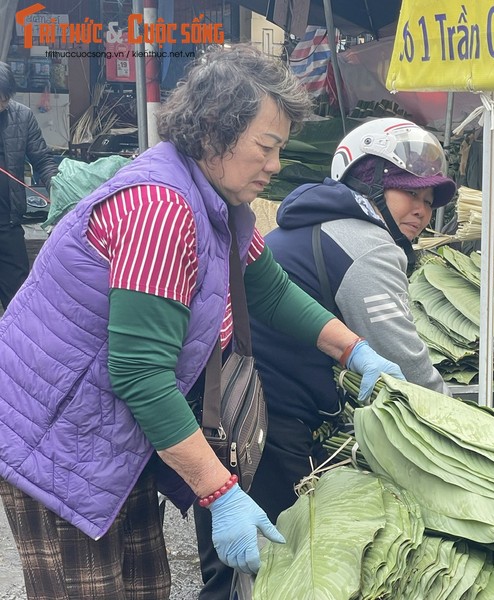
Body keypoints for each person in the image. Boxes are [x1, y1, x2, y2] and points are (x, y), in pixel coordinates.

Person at [0, 44, 404, 600]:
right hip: (58, 440)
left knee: (145, 586)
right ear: (214, 130)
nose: (276, 166)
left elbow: (271, 292)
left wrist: (357, 353)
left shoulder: (220, 202)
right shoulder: (161, 209)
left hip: (117, 434)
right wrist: (222, 494)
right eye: (267, 147)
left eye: (281, 149)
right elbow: (141, 374)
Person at [194, 117, 456, 598]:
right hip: (270, 425)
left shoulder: (308, 222)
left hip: (226, 414)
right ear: (367, 182)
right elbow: (405, 359)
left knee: (232, 572)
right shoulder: (369, 245)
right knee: (276, 568)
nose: (421, 211)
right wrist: (461, 427)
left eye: (428, 201)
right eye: (408, 193)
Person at [0, 61, 58, 309]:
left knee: (18, 299)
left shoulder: (22, 116)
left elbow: (42, 159)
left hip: (7, 222)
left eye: (3, 100)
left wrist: (58, 187)